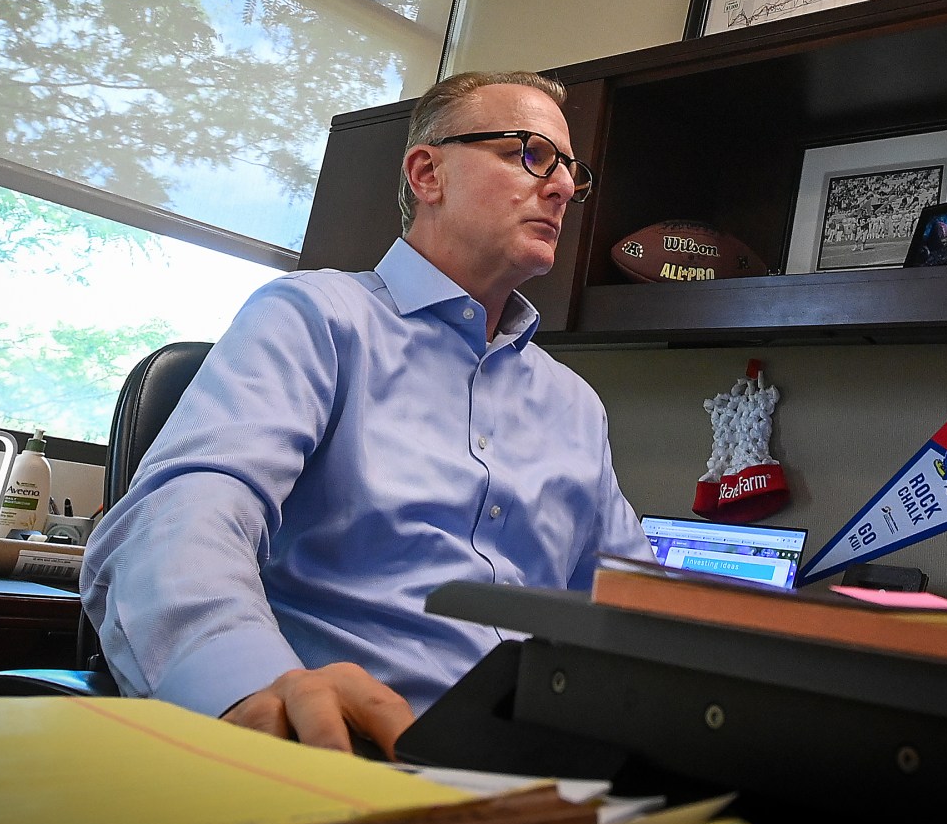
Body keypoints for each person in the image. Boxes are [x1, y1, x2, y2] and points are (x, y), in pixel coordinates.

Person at [82, 70, 653, 760]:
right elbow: (176, 522)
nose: (561, 186)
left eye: (569, 170)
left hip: (535, 771)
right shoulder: (315, 319)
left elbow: (634, 612)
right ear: (427, 173)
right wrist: (249, 687)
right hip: (349, 754)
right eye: (529, 154)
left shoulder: (576, 407)